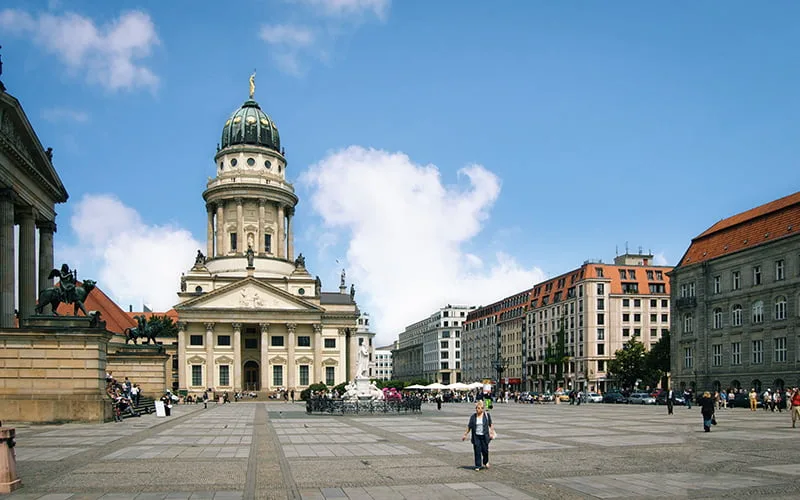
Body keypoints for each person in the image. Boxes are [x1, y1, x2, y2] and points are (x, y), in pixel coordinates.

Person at [462, 400, 496, 470]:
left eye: (479, 408)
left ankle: (485, 461)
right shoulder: (473, 416)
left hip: (484, 436)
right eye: (476, 408)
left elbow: (491, 424)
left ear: (482, 409)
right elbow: (469, 426)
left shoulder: (487, 415)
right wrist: (465, 434)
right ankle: (478, 465)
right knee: (477, 451)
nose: (477, 409)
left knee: (485, 451)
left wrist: (492, 432)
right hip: (476, 436)